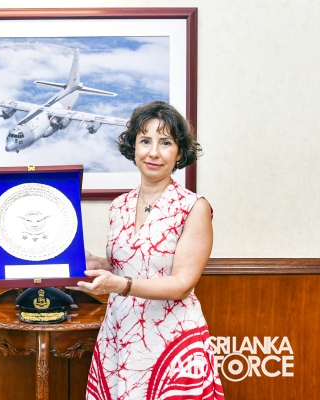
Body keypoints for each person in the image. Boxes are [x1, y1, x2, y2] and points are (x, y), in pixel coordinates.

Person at [74, 101, 224, 400]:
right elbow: (129, 264)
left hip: (171, 340)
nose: (153, 152)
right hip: (120, 335)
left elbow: (182, 284)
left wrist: (120, 285)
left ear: (179, 152)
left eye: (165, 142)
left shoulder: (193, 207)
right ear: (133, 147)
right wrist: (96, 263)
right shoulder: (119, 206)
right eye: (145, 141)